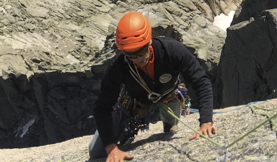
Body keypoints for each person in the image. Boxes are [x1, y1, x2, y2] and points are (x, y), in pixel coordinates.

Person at [89, 12, 217, 161]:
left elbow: (201, 81)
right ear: (123, 51)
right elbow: (102, 107)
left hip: (170, 96)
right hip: (134, 104)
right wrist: (111, 147)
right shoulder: (118, 67)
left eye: (142, 52)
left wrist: (206, 121)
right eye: (131, 55)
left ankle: (169, 124)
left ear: (149, 41)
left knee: (171, 131)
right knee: (96, 152)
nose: (138, 59)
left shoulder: (171, 50)